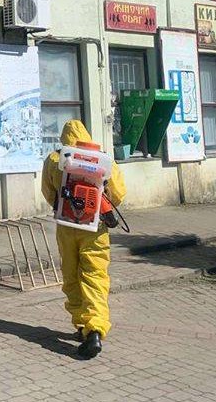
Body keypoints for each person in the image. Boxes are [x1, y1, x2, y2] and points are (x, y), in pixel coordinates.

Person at [41, 120, 127, 359]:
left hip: (67, 226)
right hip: (95, 228)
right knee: (95, 277)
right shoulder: (103, 159)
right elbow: (118, 194)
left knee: (72, 276)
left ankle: (82, 324)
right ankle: (94, 329)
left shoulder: (54, 159)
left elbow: (48, 193)